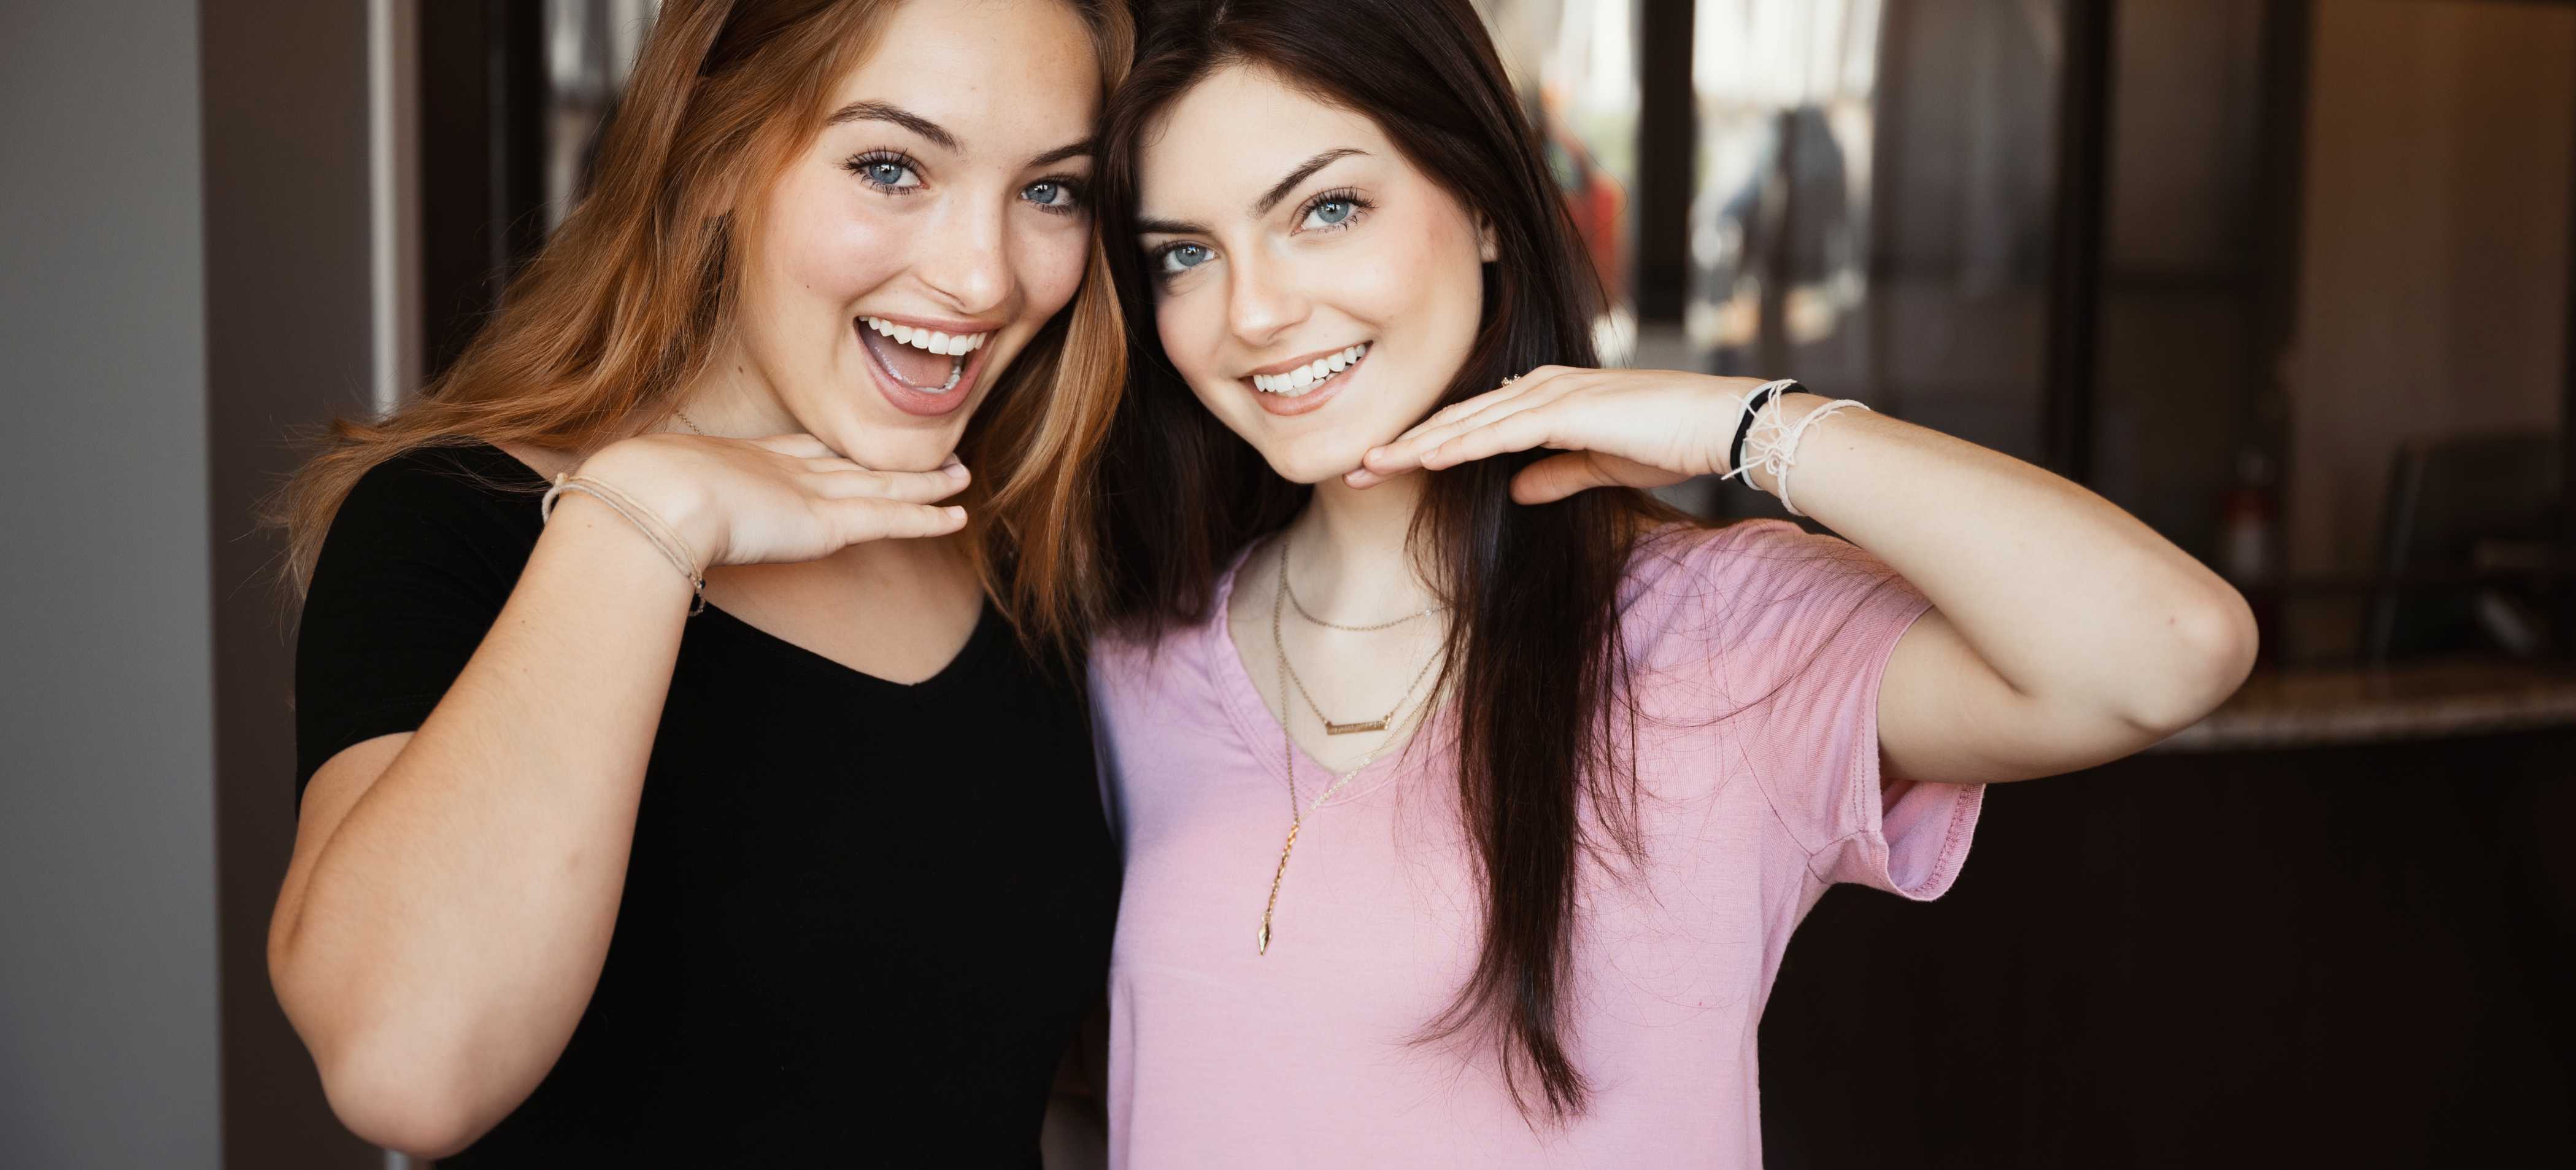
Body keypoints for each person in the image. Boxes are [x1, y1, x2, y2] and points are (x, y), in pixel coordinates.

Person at [1076, 0, 2258, 1165]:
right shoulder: (1133, 656)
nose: (1255, 310)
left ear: (1486, 201)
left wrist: (1745, 422)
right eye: (1185, 253)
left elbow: (2170, 646)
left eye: (1326, 209)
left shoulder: (1714, 636)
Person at [266, 0, 1132, 1162]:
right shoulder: (453, 524)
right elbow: (405, 1068)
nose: (981, 277)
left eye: (1049, 190)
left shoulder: (1042, 564)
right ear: (716, 155)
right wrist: (644, 521)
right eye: (890, 166)